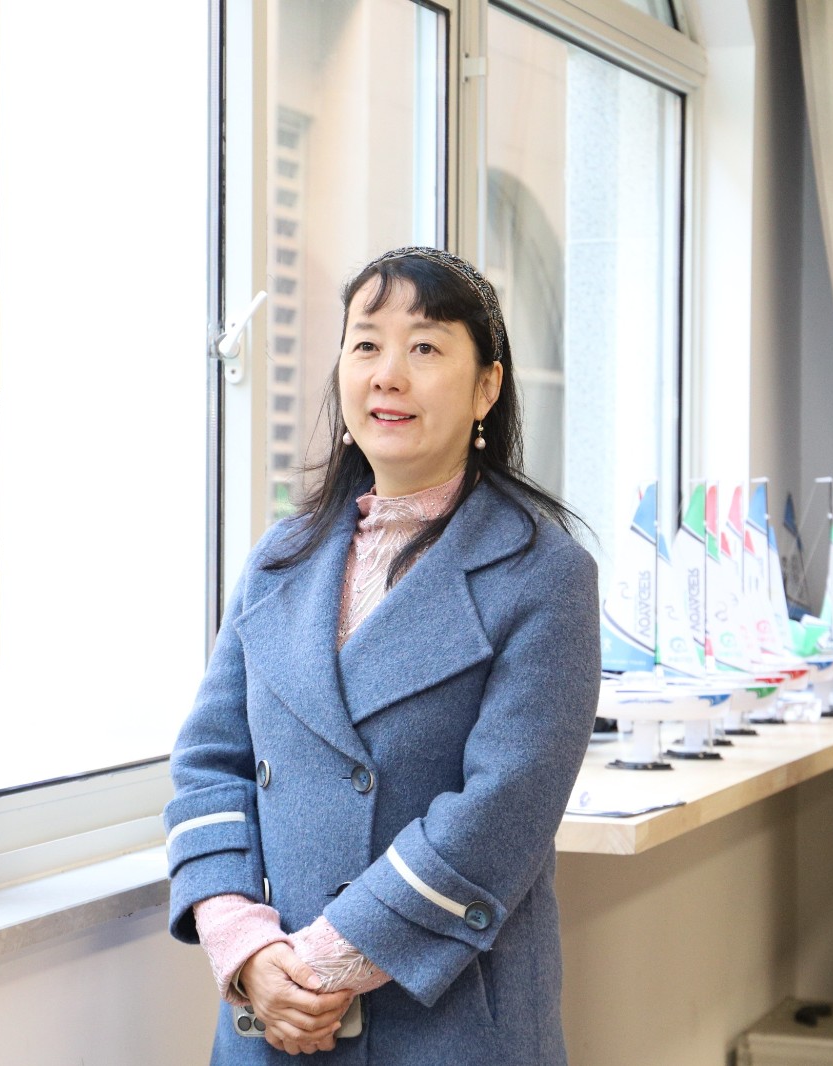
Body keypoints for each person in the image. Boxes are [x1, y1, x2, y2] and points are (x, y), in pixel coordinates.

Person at [164, 247, 601, 1063]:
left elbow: (501, 811)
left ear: (487, 387)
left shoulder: (544, 573)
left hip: (444, 1025)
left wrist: (321, 967)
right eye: (365, 344)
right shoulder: (279, 558)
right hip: (271, 1022)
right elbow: (209, 767)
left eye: (425, 347)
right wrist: (244, 946)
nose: (387, 375)